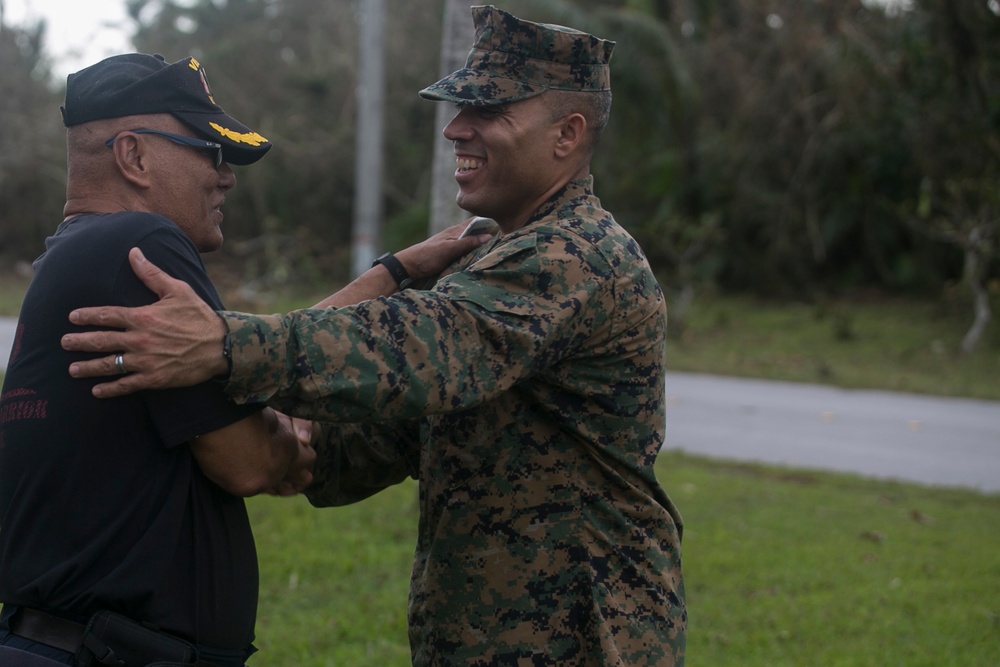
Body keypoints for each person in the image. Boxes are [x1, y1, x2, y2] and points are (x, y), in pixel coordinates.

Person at [60, 6, 687, 666]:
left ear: (567, 134)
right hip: (490, 635)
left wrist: (222, 343)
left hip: (581, 636)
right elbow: (407, 423)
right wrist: (291, 447)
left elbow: (423, 351)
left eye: (489, 111)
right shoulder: (492, 256)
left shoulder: (574, 257)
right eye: (459, 107)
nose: (456, 128)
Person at [0, 53, 486, 667]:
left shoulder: (74, 258)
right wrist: (287, 442)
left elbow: (241, 353)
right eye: (208, 150)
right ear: (133, 156)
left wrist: (392, 273)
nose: (225, 175)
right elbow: (248, 462)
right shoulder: (140, 243)